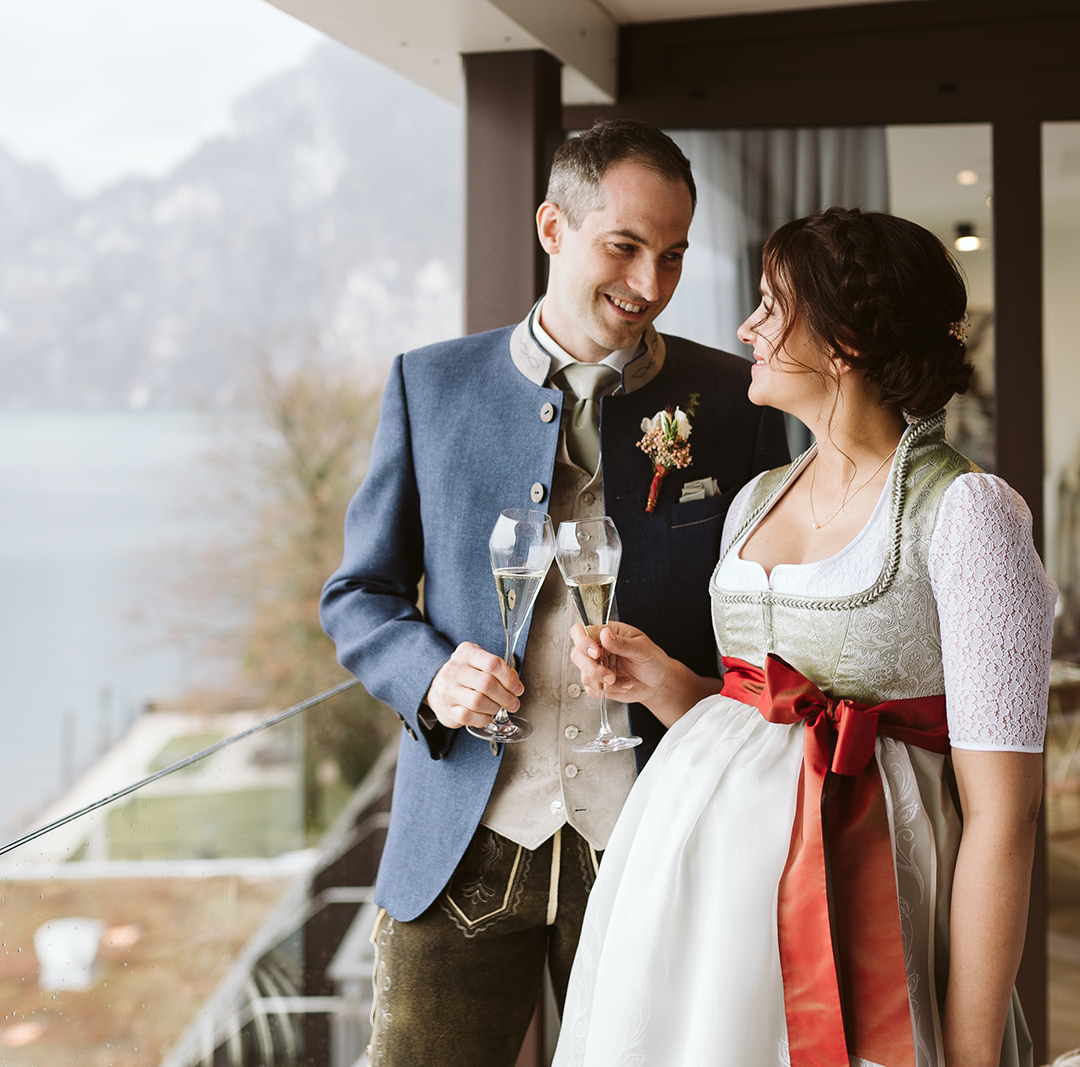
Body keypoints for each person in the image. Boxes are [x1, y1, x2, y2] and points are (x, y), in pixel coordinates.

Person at [319, 119, 791, 1066]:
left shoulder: (733, 400)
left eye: (673, 254)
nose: (649, 283)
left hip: (652, 837)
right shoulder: (428, 385)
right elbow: (359, 593)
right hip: (464, 838)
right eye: (624, 246)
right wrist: (430, 675)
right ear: (552, 228)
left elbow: (764, 625)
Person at [557, 207, 1055, 1067]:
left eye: (770, 306)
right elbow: (758, 722)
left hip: (864, 905)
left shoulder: (967, 514)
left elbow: (1004, 816)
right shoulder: (756, 499)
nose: (746, 328)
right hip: (706, 921)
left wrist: (971, 1056)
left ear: (845, 342)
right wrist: (666, 682)